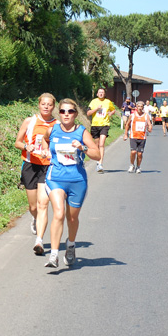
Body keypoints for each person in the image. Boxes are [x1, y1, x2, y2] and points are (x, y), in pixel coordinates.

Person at [39, 98, 101, 268]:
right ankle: (53, 255)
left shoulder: (81, 132)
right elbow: (45, 140)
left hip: (77, 180)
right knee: (58, 213)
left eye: (70, 111)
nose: (66, 114)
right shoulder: (52, 130)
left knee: (72, 218)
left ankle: (71, 245)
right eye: (63, 111)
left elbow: (97, 155)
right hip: (56, 178)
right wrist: (45, 151)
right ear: (59, 113)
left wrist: (83, 148)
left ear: (75, 114)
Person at [15, 93, 58, 241]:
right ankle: (34, 218)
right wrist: (27, 146)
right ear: (39, 105)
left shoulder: (57, 125)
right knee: (33, 206)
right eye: (43, 104)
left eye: (49, 104)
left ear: (53, 106)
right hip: (30, 165)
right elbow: (17, 143)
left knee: (42, 204)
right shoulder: (29, 121)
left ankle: (39, 238)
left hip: (47, 167)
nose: (46, 107)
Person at [87, 88, 116, 173]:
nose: (101, 94)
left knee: (101, 144)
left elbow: (113, 109)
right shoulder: (93, 102)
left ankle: (100, 164)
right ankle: (97, 160)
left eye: (102, 92)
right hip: (95, 125)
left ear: (104, 94)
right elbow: (88, 113)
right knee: (96, 145)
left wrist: (111, 113)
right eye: (99, 92)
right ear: (97, 94)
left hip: (105, 125)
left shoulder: (108, 102)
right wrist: (96, 109)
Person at [123, 101, 153, 174]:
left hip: (142, 137)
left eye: (141, 107)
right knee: (133, 152)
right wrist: (125, 134)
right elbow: (127, 124)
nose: (140, 108)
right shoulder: (132, 115)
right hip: (133, 136)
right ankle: (132, 165)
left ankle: (138, 166)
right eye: (138, 106)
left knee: (139, 154)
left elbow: (149, 124)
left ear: (143, 108)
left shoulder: (146, 116)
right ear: (136, 107)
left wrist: (150, 128)